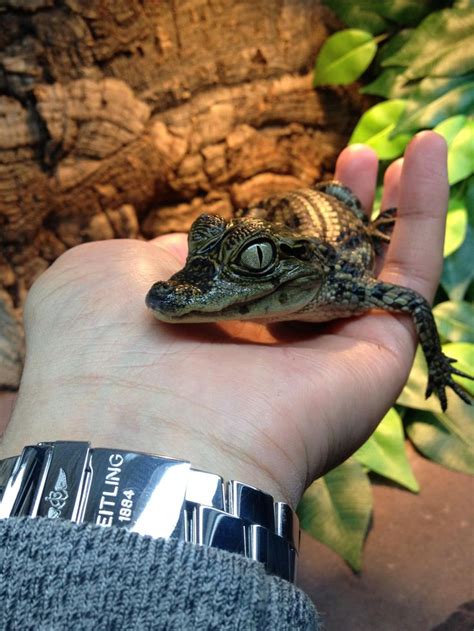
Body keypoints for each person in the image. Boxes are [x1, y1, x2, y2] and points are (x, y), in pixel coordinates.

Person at [0, 132, 449, 629]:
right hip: (283, 225)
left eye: (252, 262)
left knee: (340, 194)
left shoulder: (344, 284)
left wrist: (438, 364)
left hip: (319, 234)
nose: (183, 295)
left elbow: (413, 302)